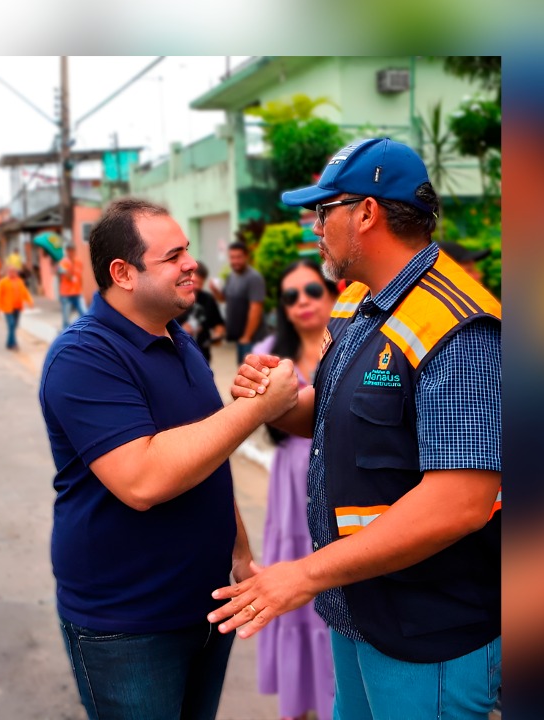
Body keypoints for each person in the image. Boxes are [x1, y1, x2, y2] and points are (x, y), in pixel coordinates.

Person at [210, 138, 502, 720]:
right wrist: (273, 401)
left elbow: (460, 503)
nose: (314, 227)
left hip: (427, 630)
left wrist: (304, 574)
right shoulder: (355, 303)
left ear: (366, 213)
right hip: (359, 610)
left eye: (324, 211)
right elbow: (330, 415)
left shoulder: (459, 327)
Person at [39, 197, 299, 719]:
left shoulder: (179, 340)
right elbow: (143, 479)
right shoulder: (84, 356)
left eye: (188, 251)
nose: (191, 264)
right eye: (173, 256)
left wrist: (239, 554)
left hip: (205, 607)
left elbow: (207, 458)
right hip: (128, 626)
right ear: (123, 274)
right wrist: (257, 408)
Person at [251, 259, 339, 720]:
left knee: (337, 587)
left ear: (332, 292)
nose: (302, 301)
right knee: (292, 586)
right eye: (291, 296)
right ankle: (299, 704)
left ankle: (337, 702)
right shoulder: (270, 354)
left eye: (312, 290)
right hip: (290, 485)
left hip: (341, 479)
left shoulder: (353, 342)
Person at [210, 241, 266, 365]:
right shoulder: (231, 276)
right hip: (240, 339)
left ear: (246, 257)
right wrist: (215, 291)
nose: (235, 261)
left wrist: (247, 336)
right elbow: (224, 299)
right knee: (242, 370)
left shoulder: (254, 278)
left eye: (239, 257)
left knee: (253, 373)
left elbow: (256, 309)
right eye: (232, 257)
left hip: (252, 340)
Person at [176, 261, 226, 365]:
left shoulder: (207, 299)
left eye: (201, 284)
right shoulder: (173, 299)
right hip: (177, 358)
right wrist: (181, 330)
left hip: (202, 357)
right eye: (194, 282)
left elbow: (218, 323)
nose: (197, 287)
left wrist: (218, 334)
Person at [0, 264, 33, 350]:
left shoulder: (20, 281)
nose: (12, 273)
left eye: (14, 271)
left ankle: (9, 343)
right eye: (10, 271)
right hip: (8, 308)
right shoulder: (3, 282)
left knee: (14, 326)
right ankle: (14, 344)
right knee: (11, 324)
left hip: (17, 307)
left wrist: (30, 301)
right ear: (7, 272)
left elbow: (25, 292)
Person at [57, 242, 88, 329]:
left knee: (85, 314)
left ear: (74, 251)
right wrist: (70, 266)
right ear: (67, 251)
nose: (71, 252)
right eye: (69, 251)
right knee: (66, 319)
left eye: (72, 250)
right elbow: (67, 276)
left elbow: (80, 277)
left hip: (77, 293)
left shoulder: (79, 262)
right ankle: (66, 333)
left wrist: (81, 288)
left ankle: (79, 328)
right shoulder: (63, 263)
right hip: (66, 295)